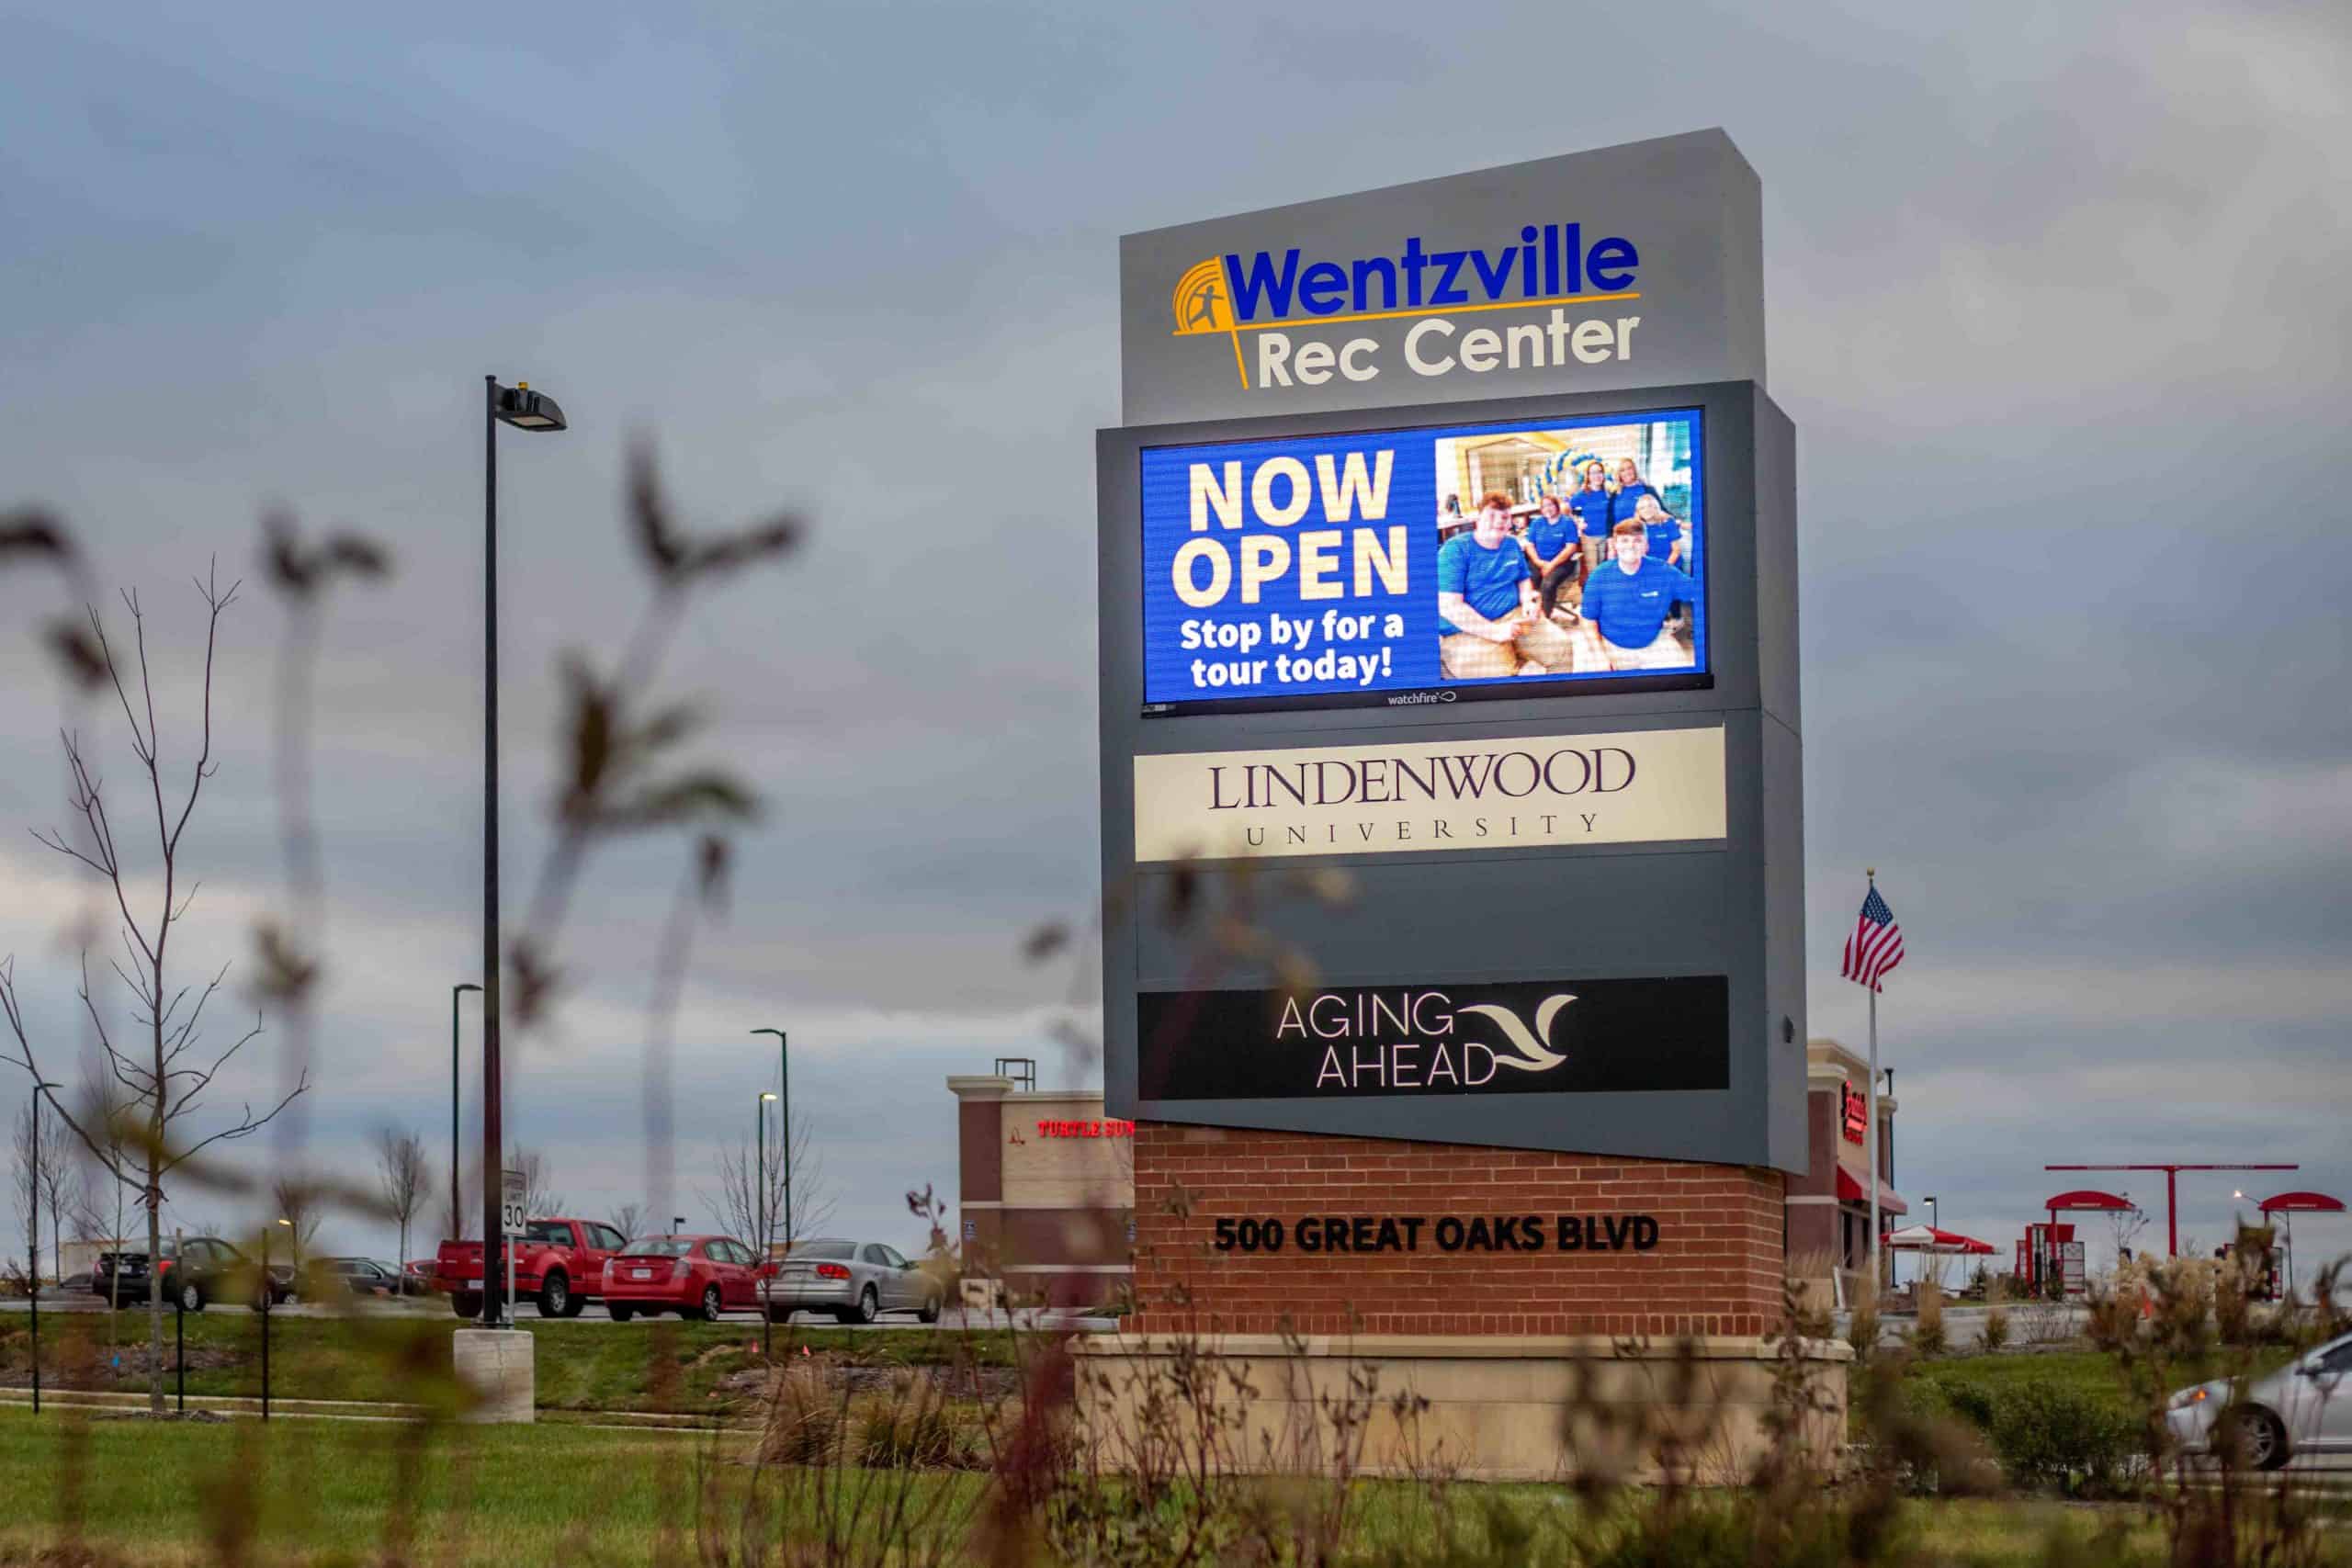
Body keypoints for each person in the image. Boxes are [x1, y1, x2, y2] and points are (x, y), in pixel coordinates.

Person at [1438, 492, 1576, 679]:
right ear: (1478, 518)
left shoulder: (1511, 544)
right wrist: (1494, 632)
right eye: (1491, 516)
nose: (1498, 522)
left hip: (1514, 617)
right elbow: (1449, 607)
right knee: (1500, 680)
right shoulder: (1455, 550)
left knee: (1561, 647)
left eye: (1503, 517)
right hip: (1467, 629)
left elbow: (1523, 579)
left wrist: (1527, 600)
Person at [1574, 521, 1695, 671]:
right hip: (1611, 644)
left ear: (1646, 545)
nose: (1631, 546)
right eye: (1624, 540)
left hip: (1653, 642)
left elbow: (1698, 591)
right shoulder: (1600, 575)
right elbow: (1587, 619)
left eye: (1638, 540)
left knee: (1682, 678)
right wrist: (1600, 655)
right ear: (1615, 545)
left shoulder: (1663, 571)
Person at [1518, 493, 1582, 618]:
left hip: (1561, 563)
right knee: (1529, 582)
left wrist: (1551, 565)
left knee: (1548, 585)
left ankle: (1545, 618)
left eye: (1550, 505)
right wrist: (1538, 562)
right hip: (1539, 562)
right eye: (1544, 506)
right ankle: (1530, 614)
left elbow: (1571, 548)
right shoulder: (1537, 523)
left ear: (1557, 506)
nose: (1547, 509)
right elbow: (1529, 545)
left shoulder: (1567, 523)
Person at [1564, 458, 1614, 582]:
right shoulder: (1583, 494)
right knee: (1593, 571)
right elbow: (1565, 508)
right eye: (1593, 473)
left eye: (1599, 472)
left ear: (1603, 474)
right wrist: (1577, 522)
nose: (1596, 475)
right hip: (1589, 537)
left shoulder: (1608, 493)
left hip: (1605, 537)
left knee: (1604, 569)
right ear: (1588, 476)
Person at [1626, 492, 1684, 570]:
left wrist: (1665, 568)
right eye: (1642, 508)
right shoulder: (1637, 527)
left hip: (1671, 567)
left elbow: (1676, 551)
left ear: (1656, 508)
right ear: (1638, 512)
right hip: (1650, 569)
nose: (1646, 510)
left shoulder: (1668, 522)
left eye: (1650, 506)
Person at [1610, 457, 1661, 529]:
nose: (1627, 472)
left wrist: (1678, 522)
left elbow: (1661, 510)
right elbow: (1610, 518)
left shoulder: (1648, 490)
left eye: (1629, 468)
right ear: (1619, 474)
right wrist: (1610, 537)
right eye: (1622, 470)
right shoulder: (1615, 494)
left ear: (1634, 470)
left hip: (1643, 536)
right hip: (1621, 536)